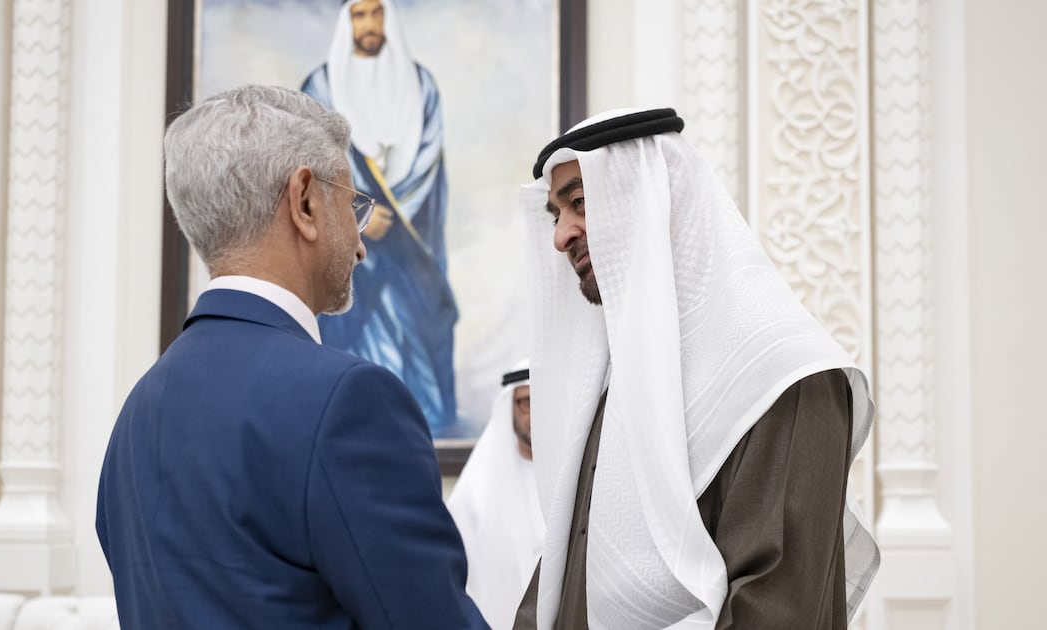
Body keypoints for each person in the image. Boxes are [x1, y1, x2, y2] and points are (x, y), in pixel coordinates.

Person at [95, 85, 486, 630]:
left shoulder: (137, 411)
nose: (361, 245)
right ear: (304, 202)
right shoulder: (348, 400)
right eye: (352, 204)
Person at [512, 108, 880, 629]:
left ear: (659, 198)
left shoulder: (782, 378)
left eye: (580, 203)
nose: (561, 236)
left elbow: (775, 609)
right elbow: (564, 575)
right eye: (556, 215)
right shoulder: (614, 383)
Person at [301, 0, 459, 435]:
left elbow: (428, 156)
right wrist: (361, 212)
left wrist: (395, 211)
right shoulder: (320, 87)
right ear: (347, 22)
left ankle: (421, 425)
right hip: (347, 238)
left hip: (410, 235)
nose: (369, 23)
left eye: (377, 13)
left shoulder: (421, 84)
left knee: (425, 318)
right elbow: (311, 164)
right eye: (359, 14)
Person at [447, 361, 544, 630]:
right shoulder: (476, 486)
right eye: (526, 402)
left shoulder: (573, 476)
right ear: (508, 407)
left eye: (543, 401)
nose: (536, 413)